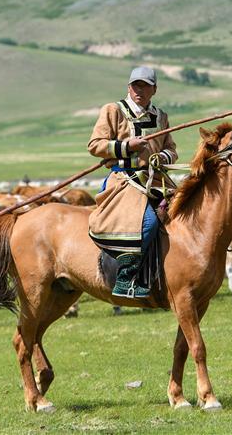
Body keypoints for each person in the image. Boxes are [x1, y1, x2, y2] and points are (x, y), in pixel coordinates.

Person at [87, 66, 178, 298]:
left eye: (145, 86)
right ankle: (125, 277)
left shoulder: (161, 116)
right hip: (125, 179)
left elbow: (171, 149)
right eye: (136, 85)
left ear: (154, 90)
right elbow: (95, 145)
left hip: (156, 179)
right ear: (129, 87)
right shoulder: (113, 110)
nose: (140, 90)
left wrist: (162, 157)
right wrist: (127, 146)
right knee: (147, 222)